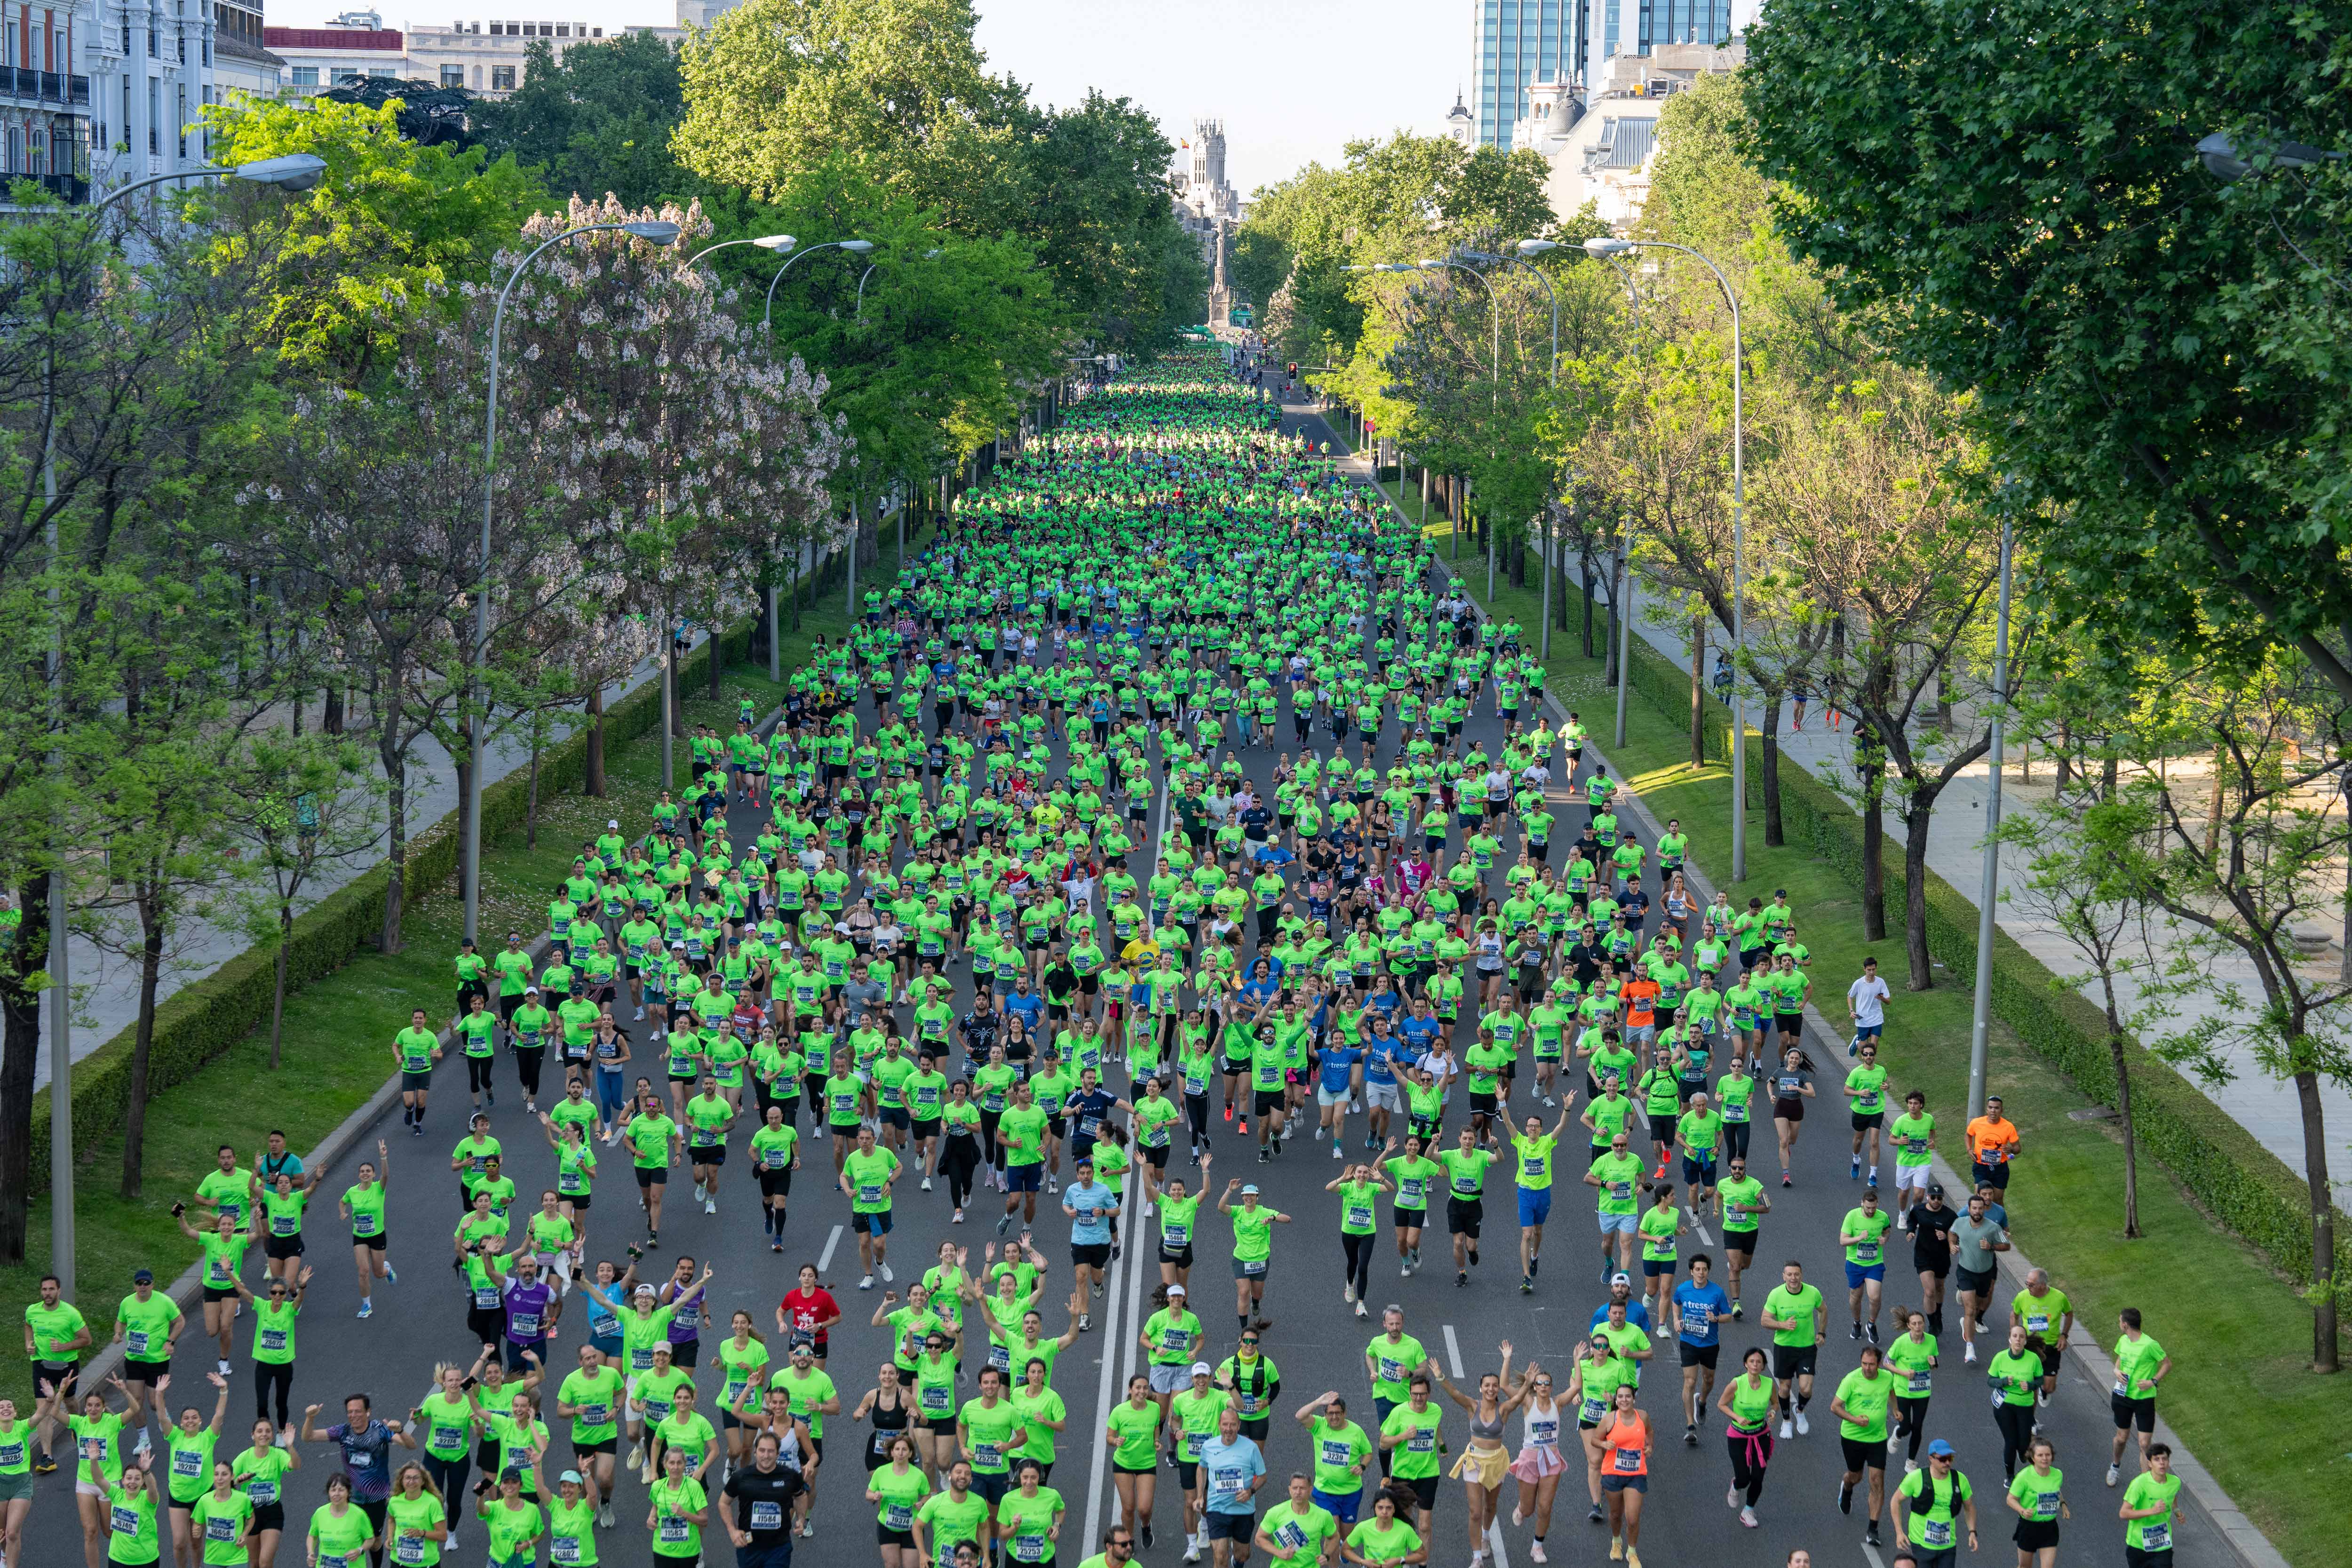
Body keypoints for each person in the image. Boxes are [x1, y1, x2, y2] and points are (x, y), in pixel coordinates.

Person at [1429, 1349, 1526, 1568]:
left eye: (1495, 1386)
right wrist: (1440, 1377)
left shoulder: (1504, 1409)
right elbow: (1455, 1393)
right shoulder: (1473, 1406)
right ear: (1481, 1388)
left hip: (1496, 1462)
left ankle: (1486, 1535)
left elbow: (1519, 1399)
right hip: (1473, 1461)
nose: (1491, 1389)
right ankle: (1477, 1557)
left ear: (1498, 1389)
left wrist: (1524, 1378)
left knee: (1490, 1506)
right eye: (1487, 1385)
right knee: (1475, 1511)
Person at [1833, 1342, 1895, 1546]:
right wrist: (1855, 1420)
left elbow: (1892, 1392)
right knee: (1856, 1476)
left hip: (1877, 1438)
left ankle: (1873, 1529)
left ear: (1879, 1363)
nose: (1867, 1368)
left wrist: (1895, 1409)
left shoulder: (1887, 1377)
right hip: (1852, 1438)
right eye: (1864, 1364)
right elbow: (1835, 1407)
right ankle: (1847, 1487)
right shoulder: (1851, 1380)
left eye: (1871, 1364)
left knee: (1877, 1481)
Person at [724, 1428, 808, 1568]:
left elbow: (801, 1496)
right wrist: (732, 1531)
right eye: (762, 1451)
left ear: (778, 1454)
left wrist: (801, 1518)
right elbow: (724, 1503)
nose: (766, 1456)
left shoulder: (790, 1476)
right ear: (755, 1452)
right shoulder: (741, 1477)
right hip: (749, 1547)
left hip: (779, 1548)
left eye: (771, 1451)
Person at [1669, 1253, 1731, 1442]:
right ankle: (1690, 1426)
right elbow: (1676, 1302)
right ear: (1691, 1272)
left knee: (1709, 1380)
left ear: (1708, 1272)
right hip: (1688, 1341)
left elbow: (1728, 1316)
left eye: (1704, 1270)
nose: (1701, 1273)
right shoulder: (1683, 1289)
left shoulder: (1717, 1292)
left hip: (1710, 1344)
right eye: (1698, 1269)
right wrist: (1676, 1320)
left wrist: (1716, 1318)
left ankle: (1702, 1401)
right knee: (1689, 1381)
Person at [1759, 1260, 1825, 1438]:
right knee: (1785, 1388)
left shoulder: (1813, 1292)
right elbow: (1764, 1320)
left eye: (1796, 1274)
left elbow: (1823, 1310)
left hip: (1807, 1347)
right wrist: (1783, 1325)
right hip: (1784, 1347)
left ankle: (1800, 1410)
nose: (1793, 1278)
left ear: (1801, 1275)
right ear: (1784, 1277)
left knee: (1806, 1389)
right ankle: (1787, 1421)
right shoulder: (1776, 1295)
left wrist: (1821, 1332)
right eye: (1789, 1275)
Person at [1198, 1407, 1267, 1568]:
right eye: (1225, 1424)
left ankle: (1237, 1563)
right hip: (1217, 1509)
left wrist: (1250, 1491)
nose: (1228, 1429)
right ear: (1219, 1425)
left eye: (1233, 1425)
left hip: (1243, 1509)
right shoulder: (1209, 1446)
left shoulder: (1251, 1448)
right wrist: (1200, 1495)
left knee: (1242, 1555)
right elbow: (1201, 1468)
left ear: (1239, 1425)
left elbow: (1263, 1476)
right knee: (1220, 1557)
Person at [2108, 1308, 2169, 1486]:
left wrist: (2153, 1381)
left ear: (2125, 1325)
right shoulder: (2123, 1341)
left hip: (2144, 1400)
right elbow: (2119, 1360)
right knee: (2122, 1438)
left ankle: (2145, 1484)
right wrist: (2116, 1370)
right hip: (2122, 1397)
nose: (2119, 1324)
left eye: (2120, 1321)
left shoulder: (2150, 1345)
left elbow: (2167, 1364)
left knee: (2144, 1444)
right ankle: (2115, 1466)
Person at [1716, 1345, 1775, 1529]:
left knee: (1758, 1477)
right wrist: (1737, 1417)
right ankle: (1736, 1486)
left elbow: (1776, 1403)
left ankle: (1748, 1510)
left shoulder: (1769, 1384)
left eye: (1759, 1362)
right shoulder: (1737, 1383)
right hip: (1738, 1436)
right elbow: (1721, 1404)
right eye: (1752, 1361)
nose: (1755, 1365)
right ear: (1746, 1364)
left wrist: (1773, 1412)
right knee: (1744, 1478)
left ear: (1763, 1366)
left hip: (1761, 1435)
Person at [1218, 1182, 1291, 1332]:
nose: (1249, 1198)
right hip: (1241, 1259)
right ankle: (1245, 1331)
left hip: (1260, 1260)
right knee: (1244, 1292)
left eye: (1252, 1195)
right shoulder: (1238, 1211)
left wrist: (1272, 1218)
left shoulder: (1264, 1212)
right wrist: (1229, 1190)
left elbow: (1287, 1219)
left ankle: (1256, 1302)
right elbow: (1221, 1207)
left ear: (1257, 1197)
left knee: (1257, 1294)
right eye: (1246, 1195)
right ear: (1243, 1197)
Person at [1375, 1377, 1441, 1541]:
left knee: (1425, 1526)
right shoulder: (1399, 1413)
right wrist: (1404, 1436)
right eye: (1415, 1394)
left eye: (1422, 1394)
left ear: (1429, 1394)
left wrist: (1442, 1444)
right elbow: (1383, 1442)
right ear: (1410, 1393)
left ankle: (1423, 1558)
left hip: (1429, 1473)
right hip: (1403, 1473)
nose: (1419, 1398)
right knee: (1404, 1523)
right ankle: (1403, 1555)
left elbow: (1436, 1426)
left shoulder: (1436, 1410)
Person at [1592, 1383, 1650, 1568]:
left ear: (1634, 1399)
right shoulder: (1609, 1420)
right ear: (1616, 1400)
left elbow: (1650, 1432)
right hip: (1613, 1474)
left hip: (1636, 1474)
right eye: (1621, 1397)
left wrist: (1650, 1446)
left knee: (1632, 1519)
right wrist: (1604, 1445)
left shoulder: (1643, 1416)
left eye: (1628, 1396)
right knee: (1616, 1515)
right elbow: (1595, 1439)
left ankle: (1632, 1552)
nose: (1624, 1400)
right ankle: (1616, 1541)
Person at [1948, 1192, 2010, 1363]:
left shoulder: (1993, 1227)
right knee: (1970, 1309)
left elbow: (2007, 1245)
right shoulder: (1960, 1223)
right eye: (1974, 1208)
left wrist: (1992, 1246)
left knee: (1979, 1305)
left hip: (1985, 1273)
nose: (1977, 1211)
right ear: (1969, 1209)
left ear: (1984, 1210)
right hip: (1965, 1272)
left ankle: (1966, 1317)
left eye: (1980, 1209)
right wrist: (1952, 1245)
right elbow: (1952, 1233)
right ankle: (1970, 1347)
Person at [1326, 1164, 1392, 1315]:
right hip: (1349, 1233)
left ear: (1369, 1175)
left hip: (1368, 1233)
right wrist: (1342, 1178)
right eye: (1359, 1172)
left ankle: (1361, 1304)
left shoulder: (1372, 1188)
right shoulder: (1347, 1187)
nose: (1362, 1175)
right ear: (1354, 1174)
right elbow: (1328, 1188)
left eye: (1365, 1173)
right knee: (1353, 1262)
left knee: (1363, 1267)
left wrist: (1381, 1178)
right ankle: (1350, 1285)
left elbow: (1390, 1189)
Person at [1106, 1375, 1163, 1545]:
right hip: (1123, 1463)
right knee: (1129, 1508)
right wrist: (1115, 1441)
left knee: (1144, 1509)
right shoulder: (1119, 1411)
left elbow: (1156, 1427)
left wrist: (1157, 1440)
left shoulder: (1155, 1408)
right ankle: (1129, 1541)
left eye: (1145, 1388)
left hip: (1147, 1463)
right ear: (1130, 1390)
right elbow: (1109, 1436)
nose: (1142, 1391)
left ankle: (1146, 1526)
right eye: (1138, 1388)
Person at [1986, 1322, 2043, 1484]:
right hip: (2004, 1405)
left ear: (2025, 1341)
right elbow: (1990, 1381)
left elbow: (2040, 1380)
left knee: (2024, 1444)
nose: (2018, 1339)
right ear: (2010, 1339)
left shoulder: (2033, 1359)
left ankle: (2022, 1450)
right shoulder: (2000, 1358)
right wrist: (2002, 1382)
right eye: (2015, 1336)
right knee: (2010, 1441)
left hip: (2025, 1405)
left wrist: (2031, 1386)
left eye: (2021, 1337)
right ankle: (2010, 1475)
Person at [868, 1433, 933, 1568]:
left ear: (910, 1453)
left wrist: (923, 1503)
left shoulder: (919, 1475)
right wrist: (875, 1496)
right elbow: (868, 1493)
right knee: (892, 1565)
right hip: (887, 1526)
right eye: (897, 1449)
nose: (901, 1453)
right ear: (892, 1452)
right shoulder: (881, 1472)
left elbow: (927, 1495)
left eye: (905, 1449)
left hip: (912, 1527)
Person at [1841, 1185, 1893, 1343]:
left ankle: (1871, 1324)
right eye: (1868, 1208)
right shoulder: (1852, 1216)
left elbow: (1887, 1230)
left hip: (1874, 1263)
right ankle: (1857, 1323)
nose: (1871, 1211)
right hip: (1855, 1263)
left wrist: (1885, 1239)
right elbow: (1843, 1241)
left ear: (1878, 1204)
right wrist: (1859, 1238)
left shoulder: (1883, 1216)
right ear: (1862, 1204)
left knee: (1875, 1297)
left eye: (1874, 1208)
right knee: (1856, 1296)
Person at [2004, 1436, 2066, 1568]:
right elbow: (2010, 1499)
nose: (2045, 1458)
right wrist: (2022, 1511)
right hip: (2028, 1528)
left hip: (2050, 1527)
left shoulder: (2058, 1474)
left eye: (2048, 1455)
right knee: (2025, 1566)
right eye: (2040, 1455)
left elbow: (2056, 1491)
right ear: (2032, 1458)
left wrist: (2063, 1505)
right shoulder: (2024, 1477)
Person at [1253, 1473, 1337, 1568]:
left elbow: (1335, 1537)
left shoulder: (1323, 1515)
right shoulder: (1275, 1513)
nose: (1298, 1492)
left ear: (1310, 1490)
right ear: (1290, 1490)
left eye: (1302, 1488)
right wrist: (1280, 1553)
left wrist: (1327, 1555)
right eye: (1295, 1488)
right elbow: (1259, 1539)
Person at [2118, 1443, 2180, 1568]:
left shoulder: (2175, 1482)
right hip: (2138, 1546)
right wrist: (2152, 1511)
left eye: (2165, 1459)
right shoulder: (2139, 1484)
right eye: (2157, 1459)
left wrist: (2177, 1511)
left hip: (2163, 1545)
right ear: (2150, 1464)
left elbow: (2172, 1496)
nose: (2162, 1463)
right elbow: (2124, 1513)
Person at [1339, 1483, 1425, 1568]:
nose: (1384, 1512)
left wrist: (1399, 1560)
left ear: (1394, 1509)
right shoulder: (1363, 1528)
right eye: (1380, 1508)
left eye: (1389, 1508)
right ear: (1375, 1508)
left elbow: (1423, 1555)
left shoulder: (1405, 1530)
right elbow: (1345, 1550)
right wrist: (1363, 1562)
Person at [381, 1463, 447, 1568]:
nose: (411, 1482)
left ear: (423, 1481)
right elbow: (392, 1520)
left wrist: (422, 1533)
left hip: (426, 1564)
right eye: (408, 1478)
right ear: (402, 1481)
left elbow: (443, 1536)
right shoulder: (395, 1501)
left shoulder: (432, 1503)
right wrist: (390, 1537)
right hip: (398, 1562)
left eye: (416, 1478)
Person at [306, 1472, 377, 1568]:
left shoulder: (359, 1515)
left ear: (348, 1492)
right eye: (333, 1490)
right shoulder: (320, 1513)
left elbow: (370, 1539)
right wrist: (310, 1552)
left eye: (341, 1490)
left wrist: (360, 1551)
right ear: (329, 1492)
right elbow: (312, 1536)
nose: (337, 1494)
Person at [1965, 1095, 2021, 1194]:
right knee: (1980, 1195)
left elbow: (2018, 1148)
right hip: (1981, 1166)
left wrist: (2011, 1150)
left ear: (2002, 1111)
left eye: (1996, 1108)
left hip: (2000, 1168)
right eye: (1990, 1107)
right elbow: (1968, 1135)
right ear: (1987, 1109)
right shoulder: (1977, 1123)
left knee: (1997, 1198)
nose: (1993, 1111)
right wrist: (1969, 1150)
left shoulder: (2008, 1127)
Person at [1845, 956, 1891, 1054]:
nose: (1871, 972)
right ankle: (1857, 1043)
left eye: (1873, 970)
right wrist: (1851, 1011)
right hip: (1863, 1020)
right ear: (1864, 969)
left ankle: (1871, 1064)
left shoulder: (1881, 982)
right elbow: (1850, 996)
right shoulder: (1859, 983)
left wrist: (1882, 999)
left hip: (1877, 1018)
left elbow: (1889, 1002)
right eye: (1869, 970)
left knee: (1873, 1049)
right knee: (1864, 1051)